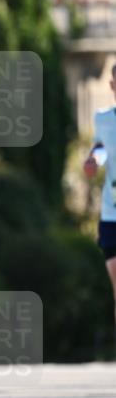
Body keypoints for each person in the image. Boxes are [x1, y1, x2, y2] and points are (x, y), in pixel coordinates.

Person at [83, 61, 116, 336]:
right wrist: (94, 160)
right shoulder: (103, 119)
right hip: (110, 212)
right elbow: (101, 148)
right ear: (112, 86)